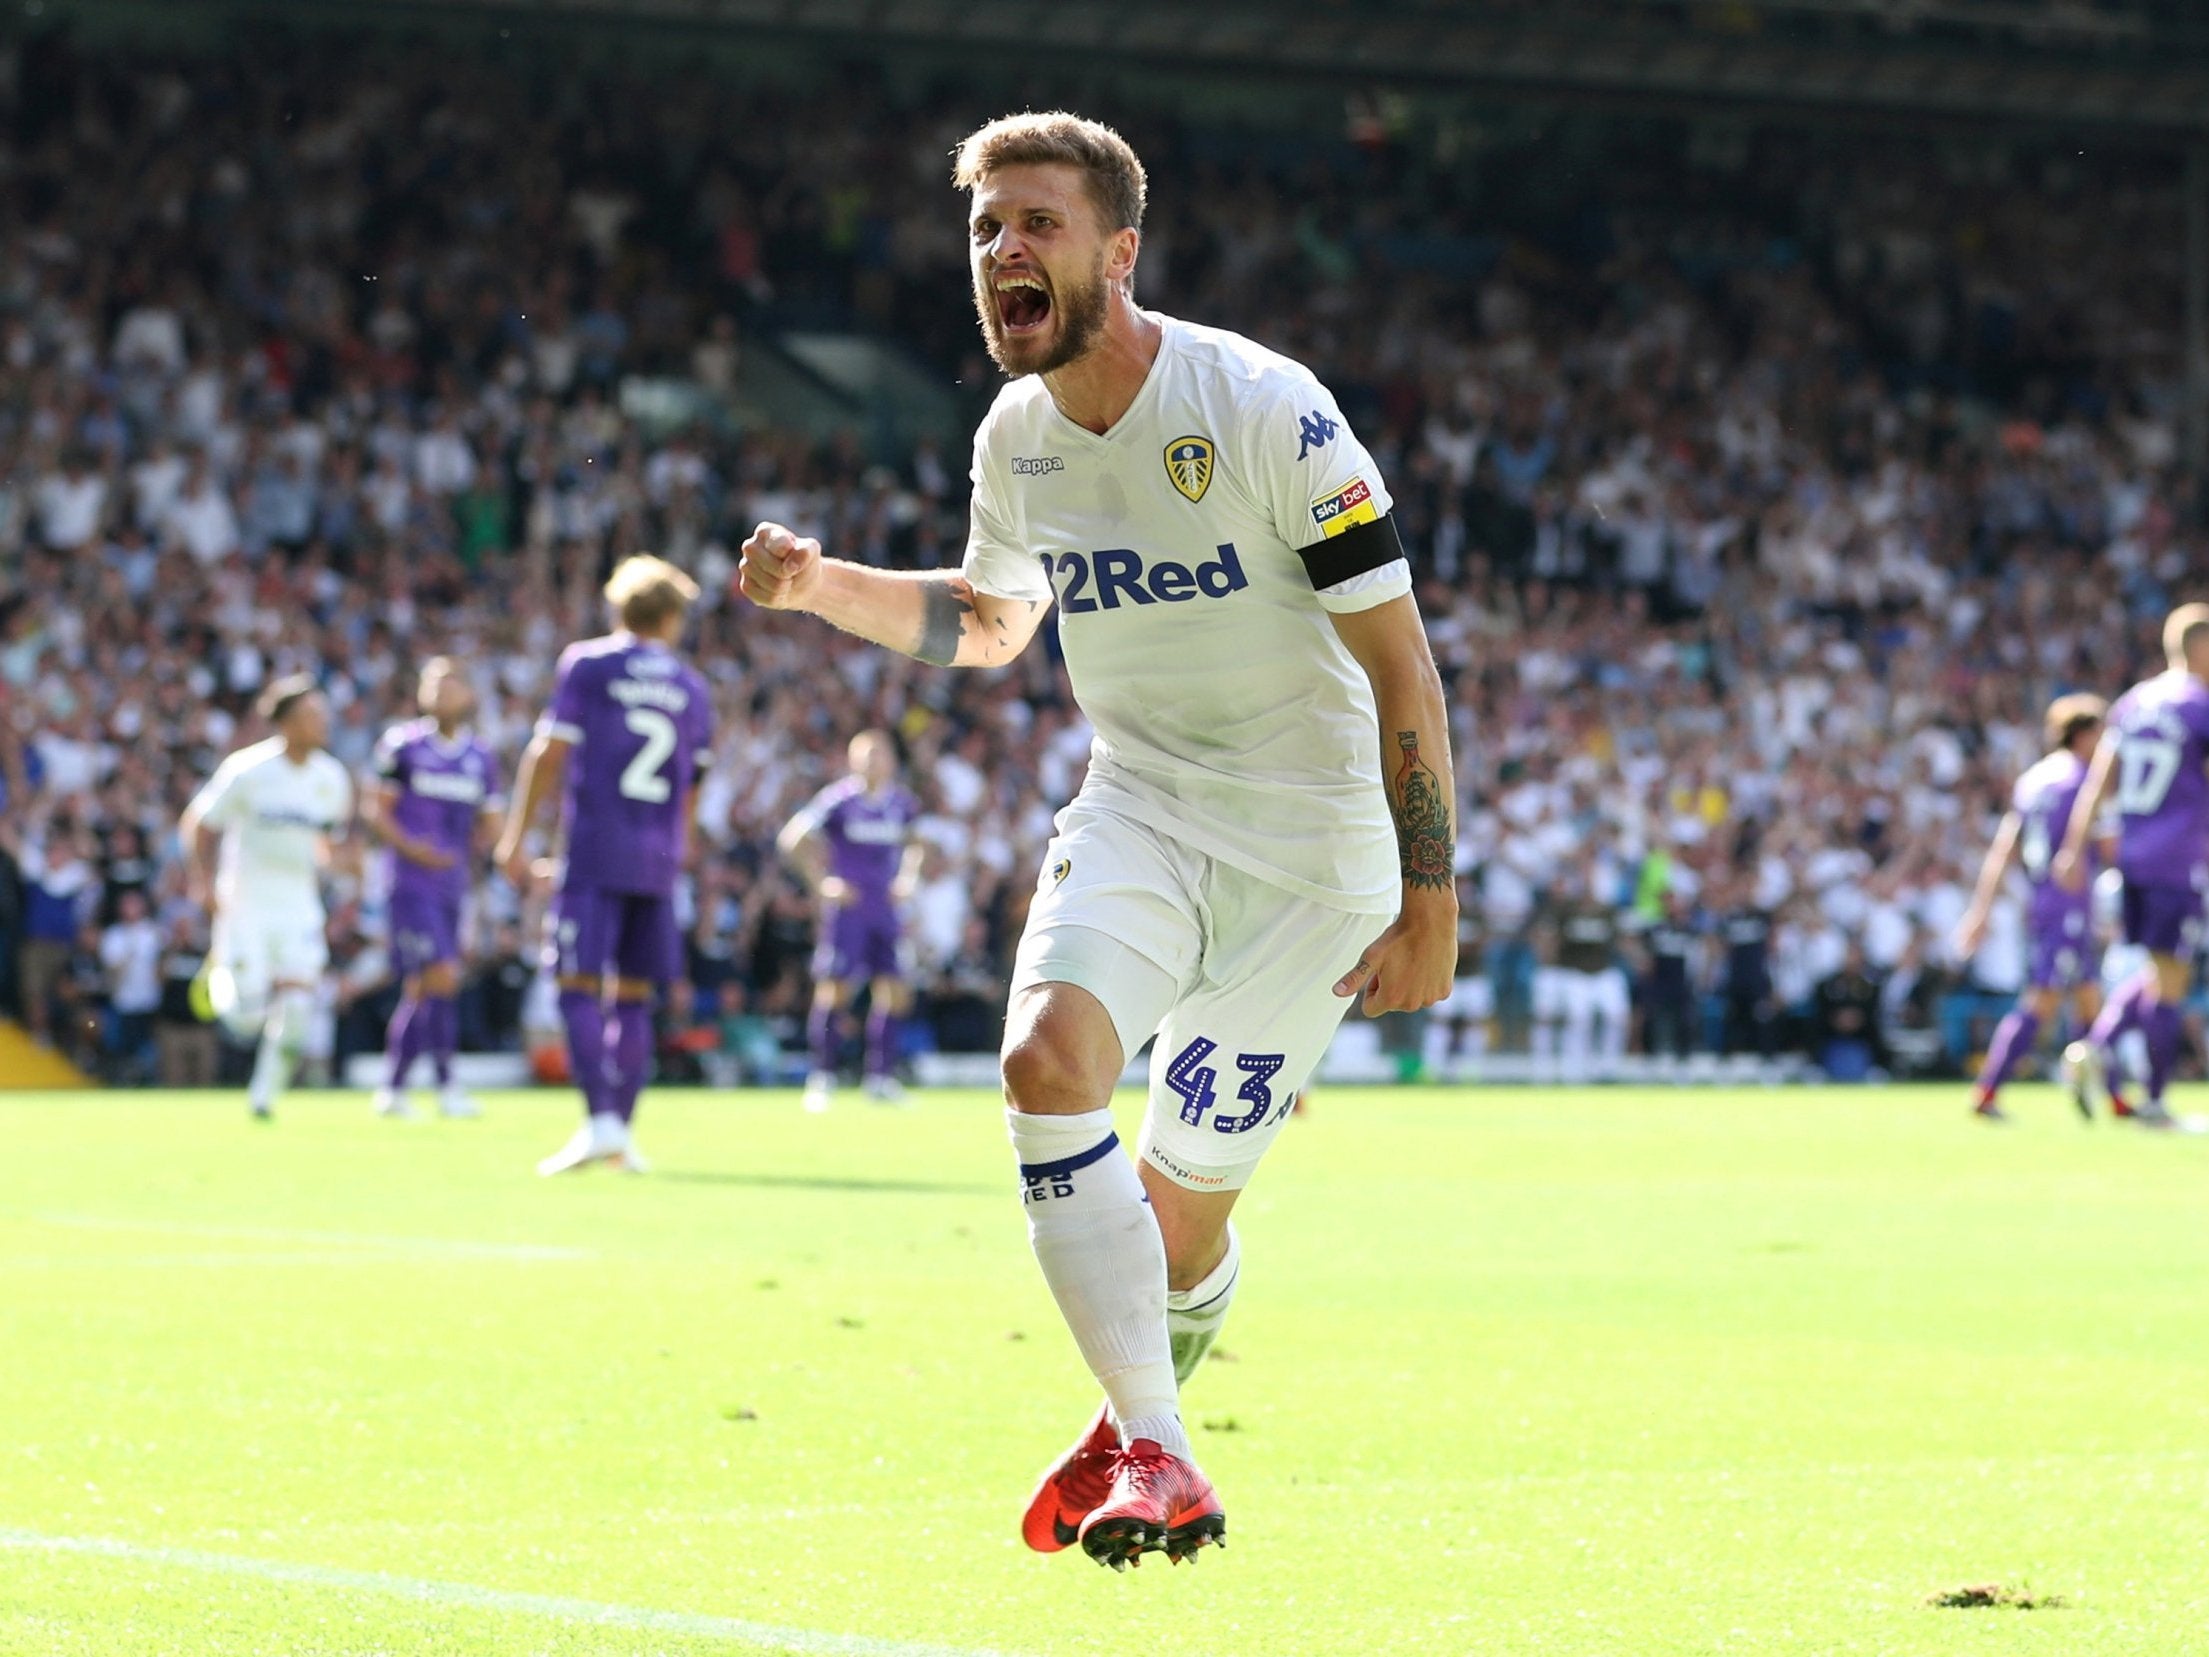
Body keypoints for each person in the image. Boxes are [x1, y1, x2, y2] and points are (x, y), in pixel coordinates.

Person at [738, 111, 1456, 1569]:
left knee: (1174, 1227)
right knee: (1043, 1065)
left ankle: (1137, 1426)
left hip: (1314, 864)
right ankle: (1166, 1456)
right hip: (1139, 803)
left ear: (1117, 252)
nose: (1005, 247)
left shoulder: (1265, 406)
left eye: (1038, 223)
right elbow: (994, 623)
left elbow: (1401, 665)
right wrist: (824, 590)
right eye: (986, 226)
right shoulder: (1017, 436)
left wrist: (1431, 902)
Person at [495, 555, 713, 1176]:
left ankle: (601, 1124)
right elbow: (692, 784)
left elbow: (549, 752)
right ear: (671, 617)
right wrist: (679, 845)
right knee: (636, 999)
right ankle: (621, 1133)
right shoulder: (691, 687)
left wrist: (516, 837)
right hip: (657, 858)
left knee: (575, 987)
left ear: (618, 608)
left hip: (593, 850)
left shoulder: (588, 664)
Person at [2054, 604, 2209, 1128]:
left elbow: (2099, 780)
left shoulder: (2133, 703)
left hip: (2131, 859)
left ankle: (2095, 1048)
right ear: (2200, 648)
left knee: (2154, 971)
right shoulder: (2199, 706)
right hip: (2178, 857)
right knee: (2171, 981)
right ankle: (2158, 1101)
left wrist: (2074, 846)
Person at [177, 675, 354, 1119]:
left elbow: (328, 845)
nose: (323, 723)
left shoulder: (332, 778)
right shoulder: (248, 770)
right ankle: (221, 975)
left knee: (297, 1011)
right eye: (313, 716)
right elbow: (198, 823)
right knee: (244, 1020)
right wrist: (202, 882)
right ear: (287, 724)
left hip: (298, 908)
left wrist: (346, 865)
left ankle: (263, 1096)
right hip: (246, 905)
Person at [1951, 694, 2109, 1121]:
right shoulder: (2082, 782)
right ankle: (1987, 1091)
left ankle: (2106, 1093)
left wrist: (1980, 908)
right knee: (2044, 1001)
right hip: (2068, 900)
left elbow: (2004, 846)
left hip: (2043, 900)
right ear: (2083, 734)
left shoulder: (2032, 780)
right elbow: (2106, 842)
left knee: (2089, 997)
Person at [364, 657, 503, 1120]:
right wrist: (413, 848)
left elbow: (491, 822)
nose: (439, 691)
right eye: (431, 683)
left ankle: (394, 1088)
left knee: (425, 986)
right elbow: (376, 810)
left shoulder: (479, 756)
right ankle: (444, 1086)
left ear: (469, 694)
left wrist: (499, 850)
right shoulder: (401, 745)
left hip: (453, 885)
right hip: (410, 883)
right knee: (439, 975)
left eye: (449, 684)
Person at [778, 729, 924, 1110]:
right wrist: (821, 883)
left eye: (878, 753)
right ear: (852, 760)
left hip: (886, 909)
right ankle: (822, 1076)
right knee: (835, 988)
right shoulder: (839, 800)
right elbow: (793, 839)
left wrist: (908, 879)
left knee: (893, 991)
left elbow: (917, 843)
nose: (872, 761)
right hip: (850, 909)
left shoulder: (900, 803)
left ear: (891, 760)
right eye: (865, 754)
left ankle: (880, 1077)